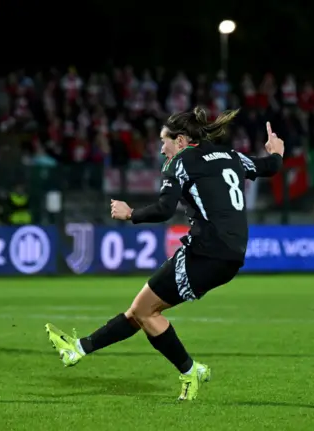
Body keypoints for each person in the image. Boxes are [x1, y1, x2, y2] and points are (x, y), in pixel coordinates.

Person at [45, 107, 285, 401]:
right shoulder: (231, 156)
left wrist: (130, 213)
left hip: (206, 253)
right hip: (230, 255)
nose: (162, 149)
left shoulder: (183, 162)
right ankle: (78, 349)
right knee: (140, 311)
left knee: (146, 312)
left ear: (181, 141)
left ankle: (190, 370)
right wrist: (276, 152)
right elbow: (269, 167)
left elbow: (164, 209)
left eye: (165, 141)